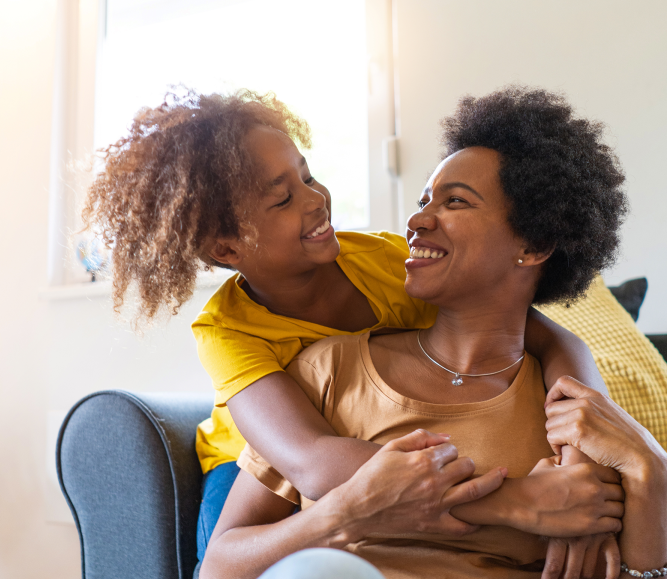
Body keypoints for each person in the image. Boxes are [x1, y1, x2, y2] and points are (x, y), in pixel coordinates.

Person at [82, 88, 609, 567]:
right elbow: (310, 460)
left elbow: (549, 336)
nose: (315, 199)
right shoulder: (227, 331)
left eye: (307, 176)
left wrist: (583, 448)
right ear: (227, 248)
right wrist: (516, 499)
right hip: (259, 458)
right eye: (283, 199)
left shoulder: (386, 261)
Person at [200, 87, 667, 579]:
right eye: (424, 199)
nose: (416, 220)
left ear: (533, 245)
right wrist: (506, 501)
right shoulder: (317, 368)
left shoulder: (575, 419)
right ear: (227, 247)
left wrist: (645, 465)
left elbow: (553, 338)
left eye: (455, 201)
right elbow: (294, 485)